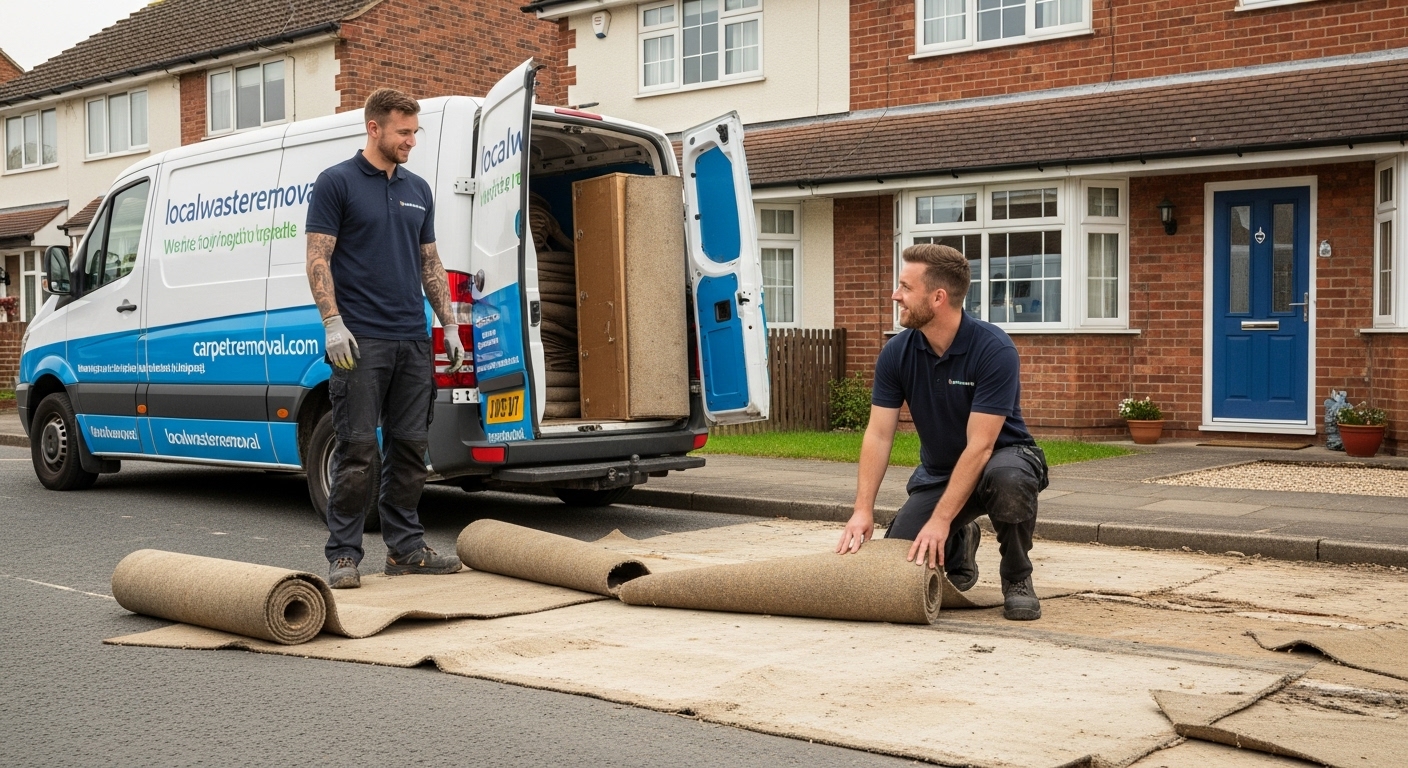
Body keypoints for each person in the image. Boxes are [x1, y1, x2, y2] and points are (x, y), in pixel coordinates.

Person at [305, 88, 469, 589]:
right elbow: (318, 258)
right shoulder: (336, 183)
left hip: (411, 340)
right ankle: (344, 556)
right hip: (360, 342)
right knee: (356, 450)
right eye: (404, 132)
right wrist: (332, 322)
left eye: (415, 132)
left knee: (410, 450)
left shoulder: (419, 188)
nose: (412, 141)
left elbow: (430, 263)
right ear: (374, 128)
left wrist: (449, 325)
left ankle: (405, 549)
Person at [835, 243, 1048, 620]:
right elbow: (879, 435)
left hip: (1003, 458)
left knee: (1008, 480)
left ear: (938, 297)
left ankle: (1017, 576)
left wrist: (940, 519)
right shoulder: (897, 353)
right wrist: (862, 510)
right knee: (898, 567)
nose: (895, 294)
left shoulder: (993, 349)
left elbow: (981, 447)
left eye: (905, 287)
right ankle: (961, 540)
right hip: (940, 473)